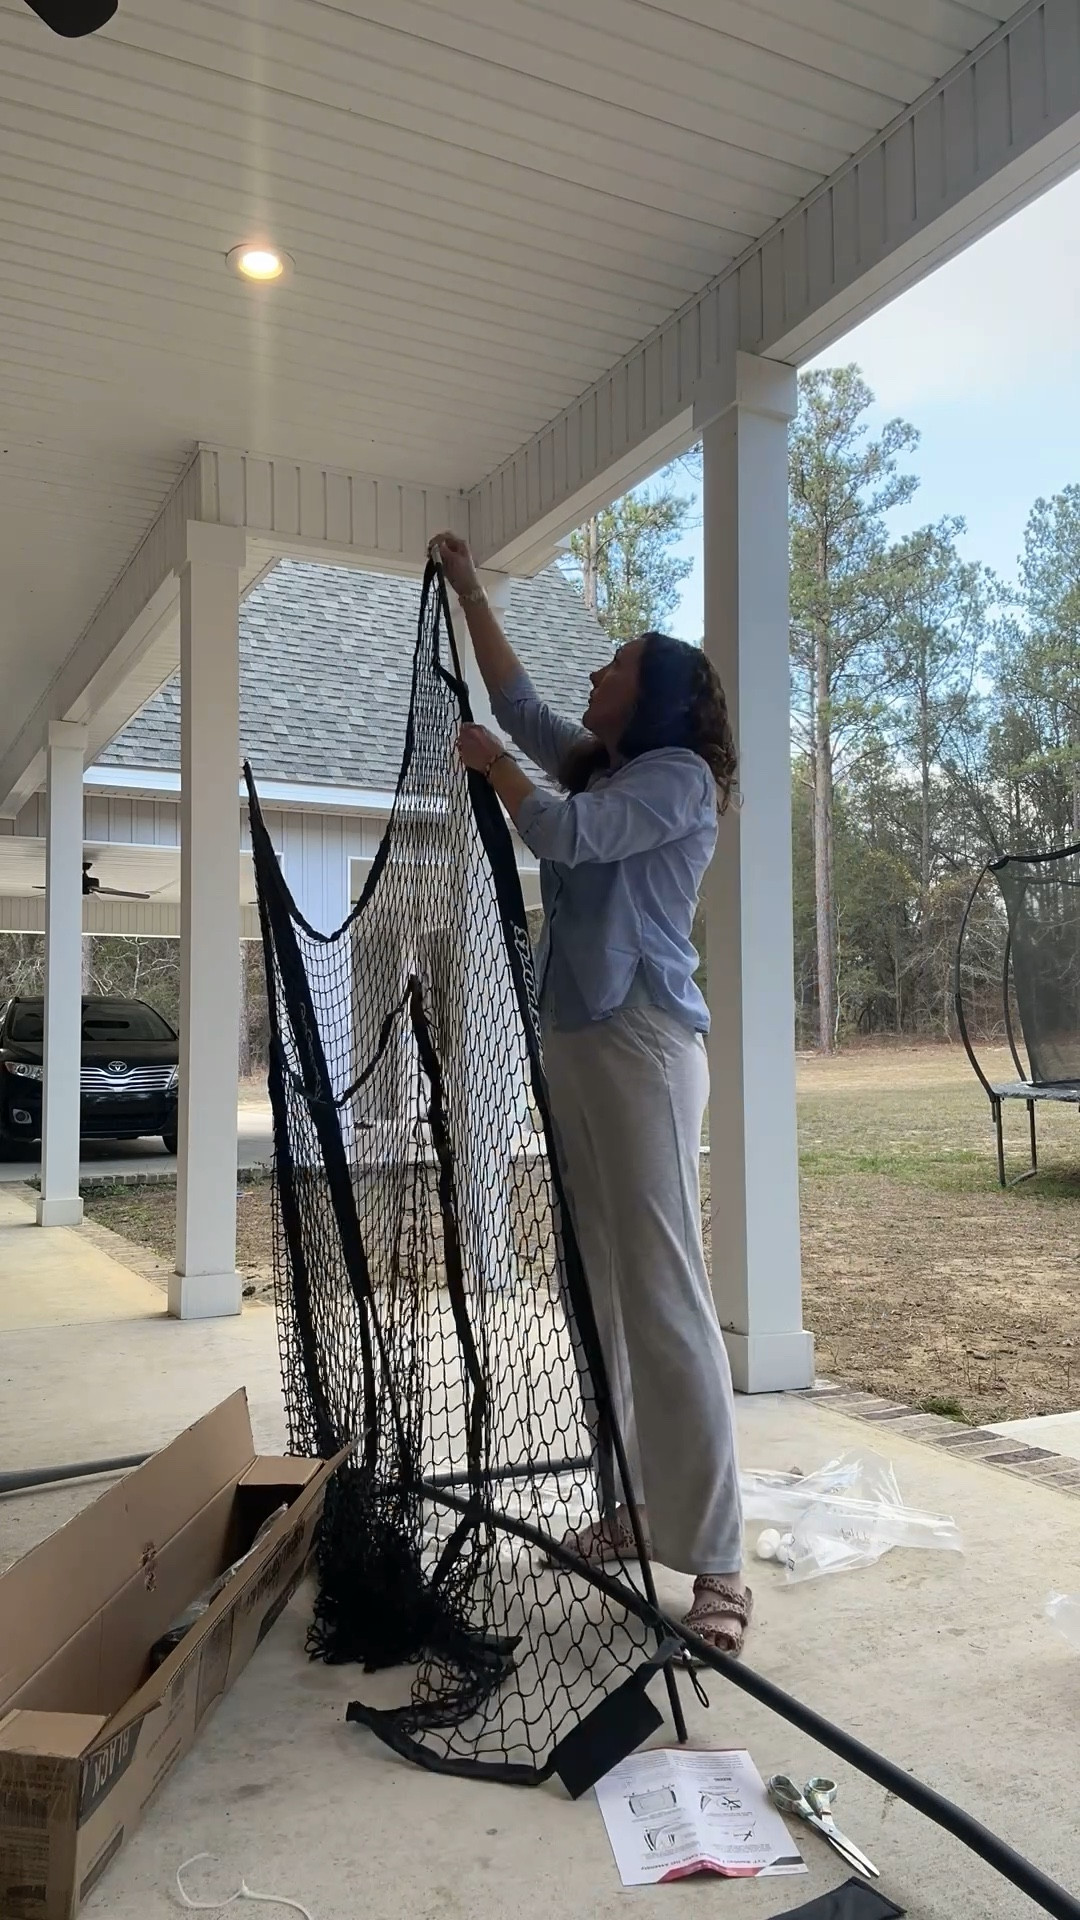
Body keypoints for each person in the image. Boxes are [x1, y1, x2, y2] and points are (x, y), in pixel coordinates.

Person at [432, 533, 750, 1657]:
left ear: (653, 694)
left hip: (649, 1048)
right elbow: (517, 704)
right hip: (577, 1043)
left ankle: (717, 1567)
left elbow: (564, 830)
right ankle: (637, 1507)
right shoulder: (601, 763)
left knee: (663, 1294)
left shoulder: (676, 781)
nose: (593, 678)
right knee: (596, 1291)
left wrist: (495, 768)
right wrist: (472, 590)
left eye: (612, 665)